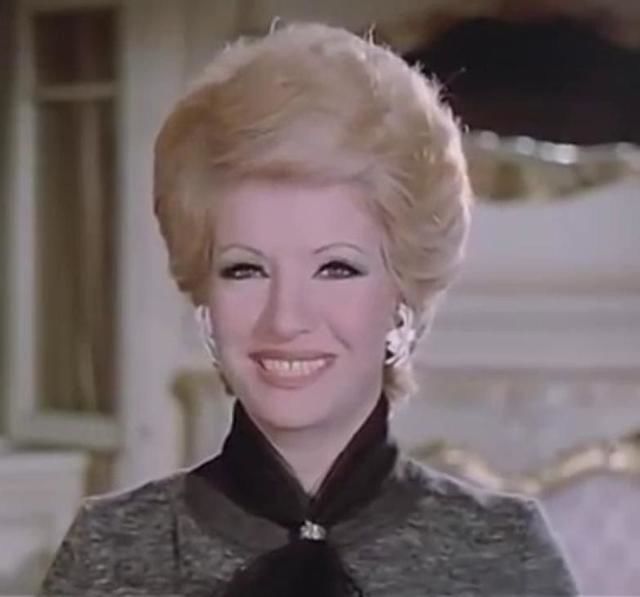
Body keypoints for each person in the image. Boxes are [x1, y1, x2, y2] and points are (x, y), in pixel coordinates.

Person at [38, 22, 578, 597]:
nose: (285, 319)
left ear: (402, 301)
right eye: (246, 269)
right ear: (206, 300)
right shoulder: (108, 550)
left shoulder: (504, 555)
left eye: (335, 268)